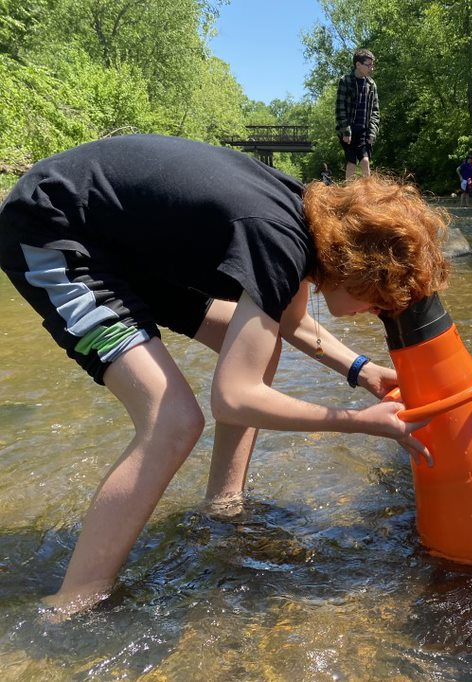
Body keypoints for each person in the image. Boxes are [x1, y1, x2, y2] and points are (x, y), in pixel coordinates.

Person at [0, 134, 449, 619]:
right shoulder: (279, 241)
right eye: (377, 301)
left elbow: (292, 322)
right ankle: (71, 604)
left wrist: (361, 371)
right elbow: (233, 398)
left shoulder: (307, 223)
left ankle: (223, 505)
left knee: (262, 344)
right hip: (54, 229)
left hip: (123, 246)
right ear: (354, 267)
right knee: (173, 420)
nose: (371, 313)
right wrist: (361, 420)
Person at [335, 48, 379, 181]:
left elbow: (375, 112)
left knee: (365, 161)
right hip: (349, 130)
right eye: (368, 65)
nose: (371, 68)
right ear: (358, 65)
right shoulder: (345, 81)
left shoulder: (371, 85)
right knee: (351, 163)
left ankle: (369, 193)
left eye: (372, 65)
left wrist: (372, 132)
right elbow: (340, 107)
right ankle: (349, 194)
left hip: (364, 131)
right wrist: (346, 131)